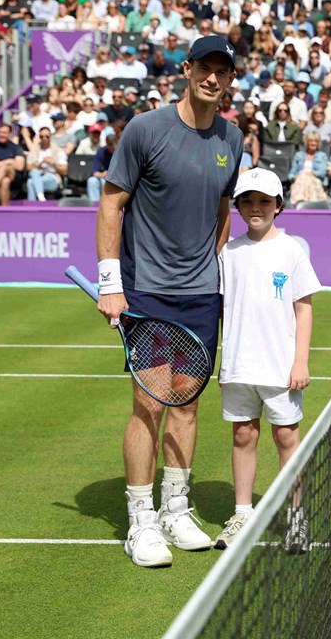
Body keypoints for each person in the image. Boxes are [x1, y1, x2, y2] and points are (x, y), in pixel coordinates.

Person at [97, 35, 243, 568]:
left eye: (222, 71)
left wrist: (219, 272)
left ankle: (176, 509)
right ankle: (140, 519)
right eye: (205, 68)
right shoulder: (145, 129)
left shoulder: (232, 137)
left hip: (202, 294)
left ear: (230, 79)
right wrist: (111, 281)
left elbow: (224, 212)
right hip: (146, 290)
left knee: (187, 399)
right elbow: (112, 204)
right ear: (188, 70)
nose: (212, 78)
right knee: (150, 402)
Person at [212, 167, 321, 551]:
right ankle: (243, 513)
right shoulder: (228, 252)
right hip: (239, 365)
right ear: (238, 206)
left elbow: (304, 309)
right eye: (248, 201)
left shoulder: (291, 250)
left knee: (286, 437)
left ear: (278, 205)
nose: (255, 208)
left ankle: (296, 517)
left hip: (280, 366)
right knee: (243, 434)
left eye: (263, 201)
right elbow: (222, 308)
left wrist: (300, 362)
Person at [0, 124, 25, 205]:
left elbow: (20, 166)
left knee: (5, 167)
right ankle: (5, 210)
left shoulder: (16, 148)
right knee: (5, 181)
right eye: (0, 132)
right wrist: (10, 161)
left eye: (5, 132)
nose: (2, 135)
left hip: (15, 179)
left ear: (9, 134)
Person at [24, 126, 68, 201]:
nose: (44, 139)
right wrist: (40, 164)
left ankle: (31, 207)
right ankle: (41, 197)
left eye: (47, 136)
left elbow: (65, 171)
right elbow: (28, 167)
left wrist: (53, 163)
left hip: (52, 178)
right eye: (41, 136)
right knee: (33, 176)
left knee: (31, 182)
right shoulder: (34, 149)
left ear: (51, 137)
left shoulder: (58, 150)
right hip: (38, 175)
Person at [86, 132, 116, 202]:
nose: (111, 149)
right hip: (104, 176)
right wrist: (102, 174)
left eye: (113, 147)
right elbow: (94, 172)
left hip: (116, 178)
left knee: (105, 182)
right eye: (109, 146)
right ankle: (95, 206)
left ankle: (107, 204)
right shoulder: (102, 151)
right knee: (92, 181)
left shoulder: (121, 151)